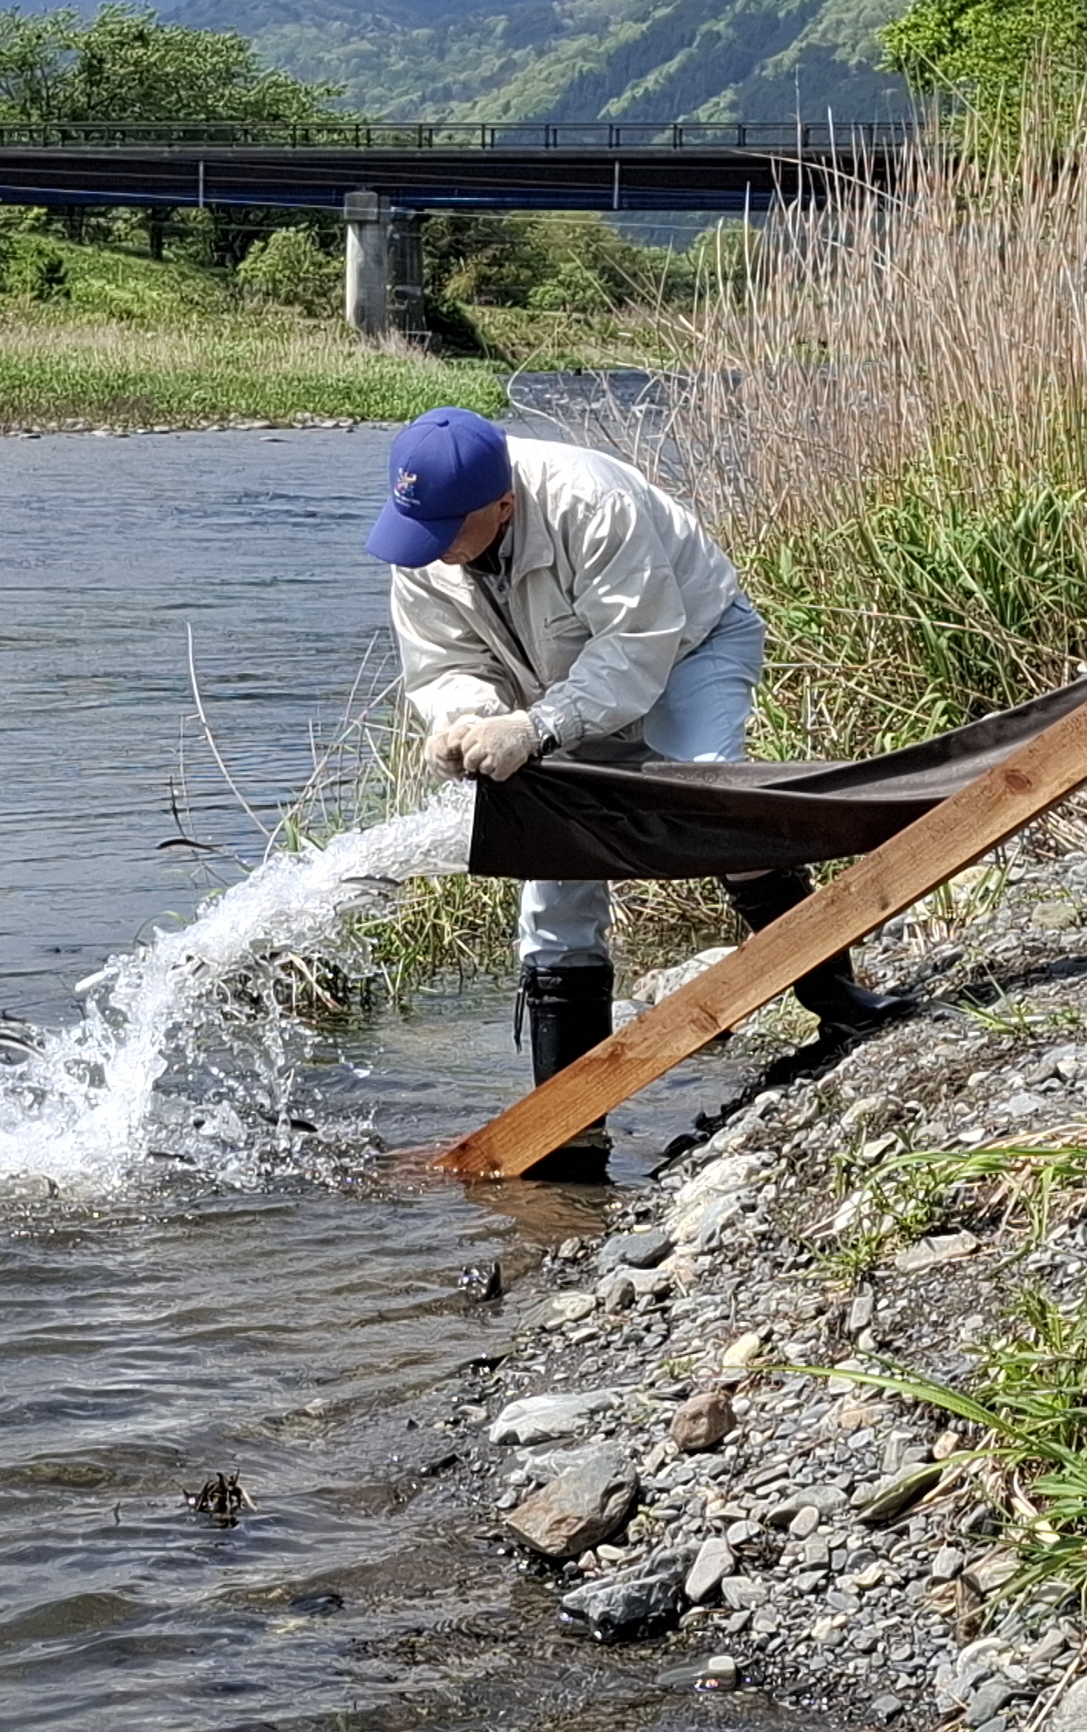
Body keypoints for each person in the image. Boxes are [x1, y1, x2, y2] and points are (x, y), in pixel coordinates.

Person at [364, 405, 892, 1176]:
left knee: (713, 800)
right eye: (419, 528)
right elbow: (444, 665)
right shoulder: (422, 543)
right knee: (553, 887)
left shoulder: (590, 501)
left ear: (504, 504)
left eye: (447, 530)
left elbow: (635, 652)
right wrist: (465, 722)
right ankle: (570, 1133)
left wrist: (535, 729)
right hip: (552, 692)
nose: (432, 547)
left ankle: (841, 1006)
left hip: (688, 649)